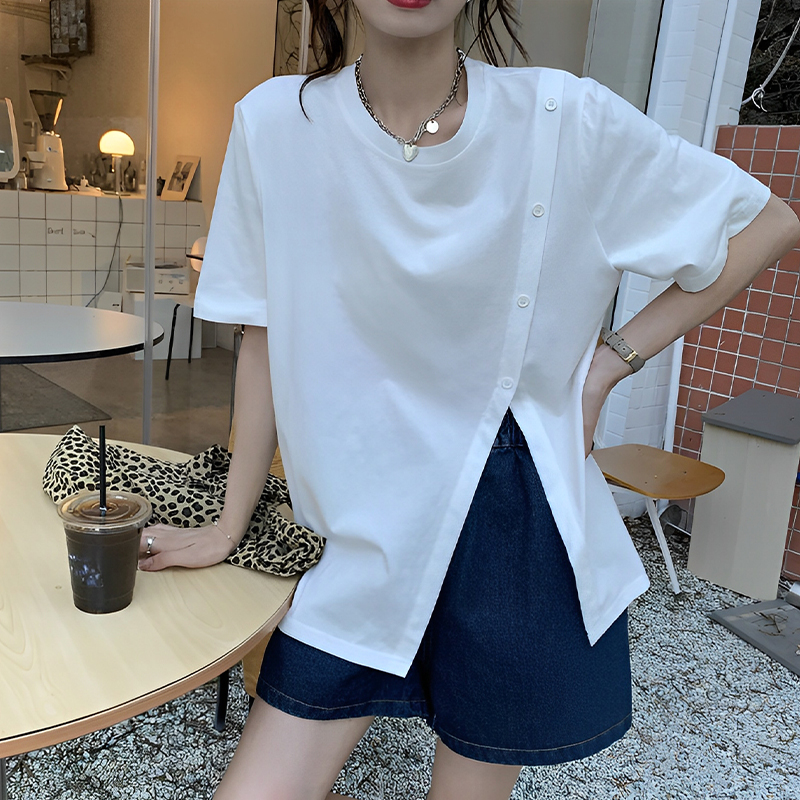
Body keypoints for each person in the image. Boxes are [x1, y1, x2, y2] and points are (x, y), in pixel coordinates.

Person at [138, 1, 800, 798]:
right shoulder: (277, 121)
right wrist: (227, 524)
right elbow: (263, 335)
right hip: (356, 520)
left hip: (509, 513)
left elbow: (764, 224)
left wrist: (607, 366)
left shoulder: (562, 117)